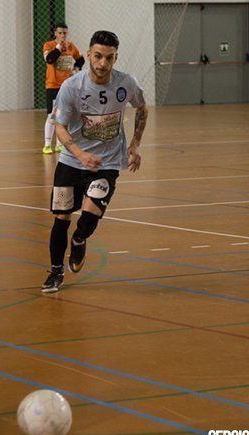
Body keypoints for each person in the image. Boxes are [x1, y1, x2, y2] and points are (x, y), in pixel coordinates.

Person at [41, 30, 149, 293]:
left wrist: (135, 143)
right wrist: (80, 154)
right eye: (98, 56)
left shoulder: (126, 84)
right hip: (70, 162)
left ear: (115, 58)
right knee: (61, 218)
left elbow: (142, 108)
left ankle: (79, 241)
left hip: (107, 163)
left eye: (109, 58)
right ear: (88, 55)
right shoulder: (71, 87)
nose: (103, 64)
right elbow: (60, 128)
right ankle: (56, 272)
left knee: (89, 216)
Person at [42, 22, 85, 154]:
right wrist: (59, 47)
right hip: (53, 86)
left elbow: (81, 59)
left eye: (65, 33)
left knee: (65, 114)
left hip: (66, 86)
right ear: (55, 33)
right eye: (60, 33)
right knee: (52, 115)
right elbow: (50, 59)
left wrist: (76, 69)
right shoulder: (49, 45)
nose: (62, 35)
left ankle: (60, 144)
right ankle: (48, 144)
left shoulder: (71, 46)